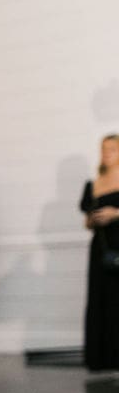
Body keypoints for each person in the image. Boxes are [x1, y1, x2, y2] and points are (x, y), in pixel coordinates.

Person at [80, 132, 119, 372]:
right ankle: (102, 358)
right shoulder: (93, 184)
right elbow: (86, 222)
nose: (106, 154)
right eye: (103, 149)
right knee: (100, 298)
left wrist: (115, 214)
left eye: (112, 149)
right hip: (101, 247)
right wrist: (94, 220)